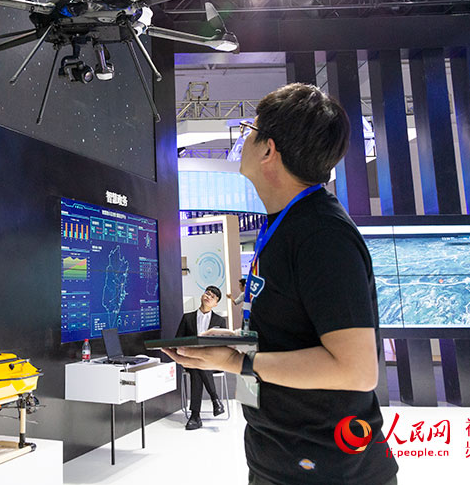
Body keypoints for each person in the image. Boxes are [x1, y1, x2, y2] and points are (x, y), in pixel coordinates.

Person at [164, 84, 398, 485]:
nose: (243, 140)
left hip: (330, 470)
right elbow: (296, 333)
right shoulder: (287, 224)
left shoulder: (323, 236)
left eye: (249, 130)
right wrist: (240, 341)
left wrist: (237, 362)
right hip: (281, 456)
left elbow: (357, 371)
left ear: (268, 150)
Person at [175, 285, 226, 430]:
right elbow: (177, 340)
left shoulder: (220, 321)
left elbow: (223, 344)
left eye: (213, 296)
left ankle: (195, 416)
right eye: (207, 293)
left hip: (212, 361)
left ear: (216, 304)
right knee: (197, 366)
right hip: (191, 359)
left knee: (198, 367)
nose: (208, 296)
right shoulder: (187, 317)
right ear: (202, 296)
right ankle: (215, 400)